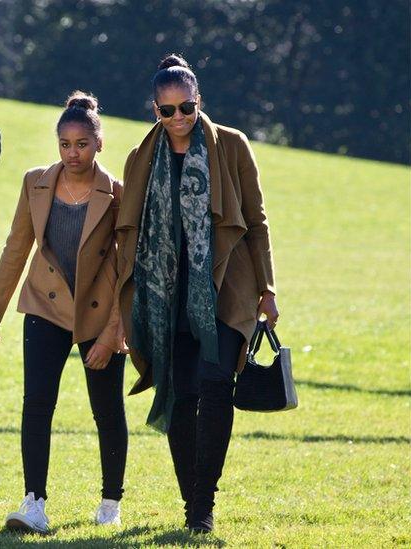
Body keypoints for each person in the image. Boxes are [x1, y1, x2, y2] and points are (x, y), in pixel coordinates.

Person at [115, 54, 279, 533]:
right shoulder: (141, 157)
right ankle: (193, 501)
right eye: (167, 111)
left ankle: (202, 507)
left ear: (198, 100)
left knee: (215, 389)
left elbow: (256, 221)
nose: (178, 119)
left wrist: (267, 289)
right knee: (181, 398)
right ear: (155, 111)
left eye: (186, 107)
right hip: (167, 295)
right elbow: (129, 232)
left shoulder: (232, 145)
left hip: (226, 287)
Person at [0, 92, 128, 533]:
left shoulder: (119, 194)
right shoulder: (35, 182)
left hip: (99, 314)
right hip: (44, 305)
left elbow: (128, 270)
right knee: (37, 403)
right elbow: (16, 247)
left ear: (99, 143)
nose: (72, 152)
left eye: (82, 143)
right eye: (65, 144)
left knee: (106, 409)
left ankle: (110, 503)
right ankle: (34, 502)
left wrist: (113, 334)